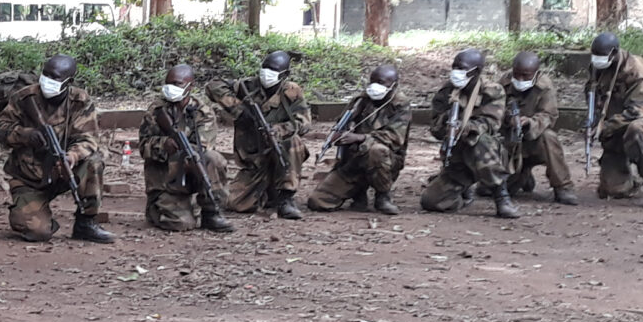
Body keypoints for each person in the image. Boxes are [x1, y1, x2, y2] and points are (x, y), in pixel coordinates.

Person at [0, 53, 112, 243]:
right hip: (29, 177)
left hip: (63, 171)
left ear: (69, 81)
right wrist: (25, 135)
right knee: (38, 232)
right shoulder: (25, 97)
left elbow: (89, 139)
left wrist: (72, 156)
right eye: (46, 74)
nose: (48, 81)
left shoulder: (80, 101)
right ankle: (40, 216)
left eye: (55, 78)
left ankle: (86, 222)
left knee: (93, 163)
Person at [212, 50, 309, 218]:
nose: (266, 73)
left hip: (279, 156)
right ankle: (267, 191)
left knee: (294, 142)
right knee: (234, 203)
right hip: (253, 160)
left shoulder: (292, 92)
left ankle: (286, 198)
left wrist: (278, 130)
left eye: (272, 69)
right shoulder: (248, 86)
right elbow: (214, 85)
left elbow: (304, 123)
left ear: (284, 74)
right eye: (265, 67)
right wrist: (239, 109)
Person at [585, 30, 643, 209]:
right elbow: (593, 97)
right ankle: (631, 178)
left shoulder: (637, 69)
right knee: (613, 190)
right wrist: (592, 123)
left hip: (641, 120)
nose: (597, 60)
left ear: (614, 52)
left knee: (637, 129)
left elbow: (637, 110)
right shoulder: (598, 68)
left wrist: (605, 127)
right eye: (595, 56)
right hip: (613, 129)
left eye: (602, 56)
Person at [421, 48, 517, 218]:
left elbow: (491, 123)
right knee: (431, 201)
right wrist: (446, 124)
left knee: (478, 140)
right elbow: (434, 127)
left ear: (477, 71)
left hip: (487, 154)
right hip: (458, 156)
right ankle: (462, 192)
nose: (456, 72)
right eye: (454, 67)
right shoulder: (446, 92)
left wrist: (465, 128)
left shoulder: (492, 90)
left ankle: (501, 196)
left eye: (462, 69)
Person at [137, 62, 230, 232]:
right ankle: (157, 207)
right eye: (168, 83)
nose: (170, 88)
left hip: (192, 169)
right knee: (181, 224)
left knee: (212, 158)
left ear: (190, 86)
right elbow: (143, 147)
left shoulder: (202, 111)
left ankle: (211, 212)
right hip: (165, 178)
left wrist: (185, 152)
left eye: (177, 84)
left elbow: (204, 146)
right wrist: (163, 144)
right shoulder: (156, 110)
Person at [306, 64, 410, 214]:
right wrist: (339, 135)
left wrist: (360, 138)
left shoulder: (400, 104)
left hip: (385, 162)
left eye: (381, 82)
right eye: (372, 81)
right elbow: (342, 122)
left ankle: (383, 196)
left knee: (376, 151)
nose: (375, 86)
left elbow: (395, 138)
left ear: (394, 85)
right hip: (354, 161)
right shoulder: (360, 101)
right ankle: (357, 193)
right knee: (317, 201)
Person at [501, 50, 579, 206]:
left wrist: (530, 123)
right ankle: (522, 175)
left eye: (526, 75)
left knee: (549, 137)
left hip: (534, 139)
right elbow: (493, 109)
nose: (520, 79)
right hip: (510, 141)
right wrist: (507, 119)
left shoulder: (544, 87)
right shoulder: (504, 82)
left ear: (536, 73)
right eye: (517, 74)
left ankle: (562, 186)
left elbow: (549, 115)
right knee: (490, 189)